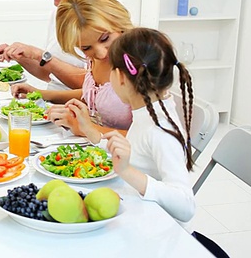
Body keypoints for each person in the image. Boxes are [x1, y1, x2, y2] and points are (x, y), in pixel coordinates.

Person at [68, 27, 196, 224]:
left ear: (119, 76)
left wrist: (127, 171)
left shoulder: (161, 130)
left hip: (159, 234)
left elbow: (186, 206)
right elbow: (138, 154)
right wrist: (93, 134)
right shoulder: (147, 110)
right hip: (140, 214)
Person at [14, 0, 134, 136]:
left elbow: (147, 139)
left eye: (105, 38)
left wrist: (85, 129)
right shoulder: (96, 58)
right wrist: (42, 94)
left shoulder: (139, 62)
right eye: (86, 48)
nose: (101, 53)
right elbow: (95, 96)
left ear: (118, 21)